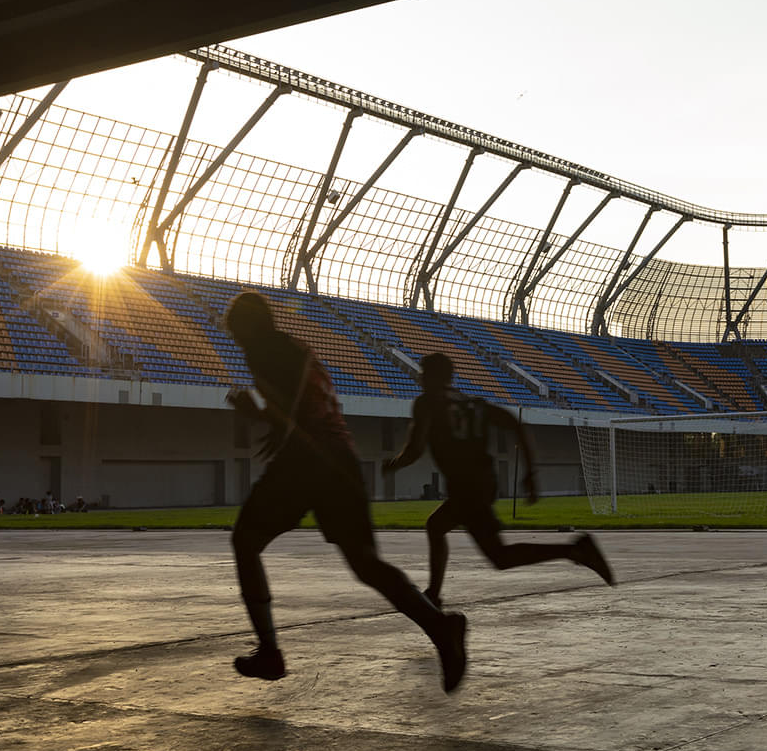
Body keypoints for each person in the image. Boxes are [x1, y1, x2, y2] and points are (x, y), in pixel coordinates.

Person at [224, 293, 468, 691]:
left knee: (245, 541)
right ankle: (441, 627)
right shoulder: (293, 346)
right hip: (340, 457)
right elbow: (302, 404)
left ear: (248, 327)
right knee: (366, 564)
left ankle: (270, 651)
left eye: (237, 333)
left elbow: (294, 409)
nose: (237, 342)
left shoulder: (262, 353)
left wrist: (261, 415)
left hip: (308, 460)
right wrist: (277, 423)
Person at [385, 352, 613, 608]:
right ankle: (434, 593)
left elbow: (415, 451)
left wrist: (392, 465)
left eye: (424, 373)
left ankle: (574, 549)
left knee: (498, 556)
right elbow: (515, 425)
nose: (420, 377)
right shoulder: (472, 403)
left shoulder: (427, 403)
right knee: (437, 526)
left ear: (436, 376)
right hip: (483, 481)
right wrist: (531, 473)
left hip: (467, 485)